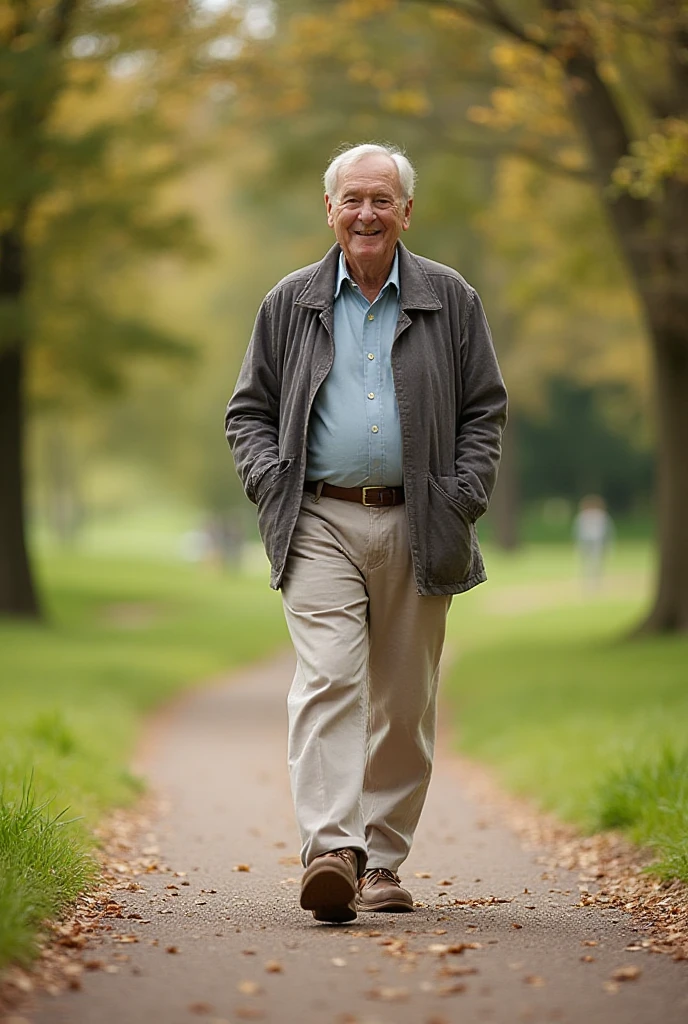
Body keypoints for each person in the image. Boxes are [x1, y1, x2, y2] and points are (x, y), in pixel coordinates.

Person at [225, 143, 507, 923]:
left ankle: (382, 861)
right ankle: (332, 851)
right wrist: (266, 479)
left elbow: (485, 407)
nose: (367, 212)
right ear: (330, 209)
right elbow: (247, 410)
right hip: (317, 518)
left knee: (403, 700)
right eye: (353, 198)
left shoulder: (452, 298)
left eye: (382, 198)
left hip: (423, 520)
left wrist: (464, 494)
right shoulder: (290, 302)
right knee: (329, 678)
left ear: (406, 212)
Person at [573, 494, 614, 591]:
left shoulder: (602, 516)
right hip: (586, 541)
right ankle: (587, 581)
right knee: (586, 561)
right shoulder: (582, 516)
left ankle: (596, 581)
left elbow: (608, 531)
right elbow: (578, 531)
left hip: (597, 541)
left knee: (597, 561)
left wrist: (608, 544)